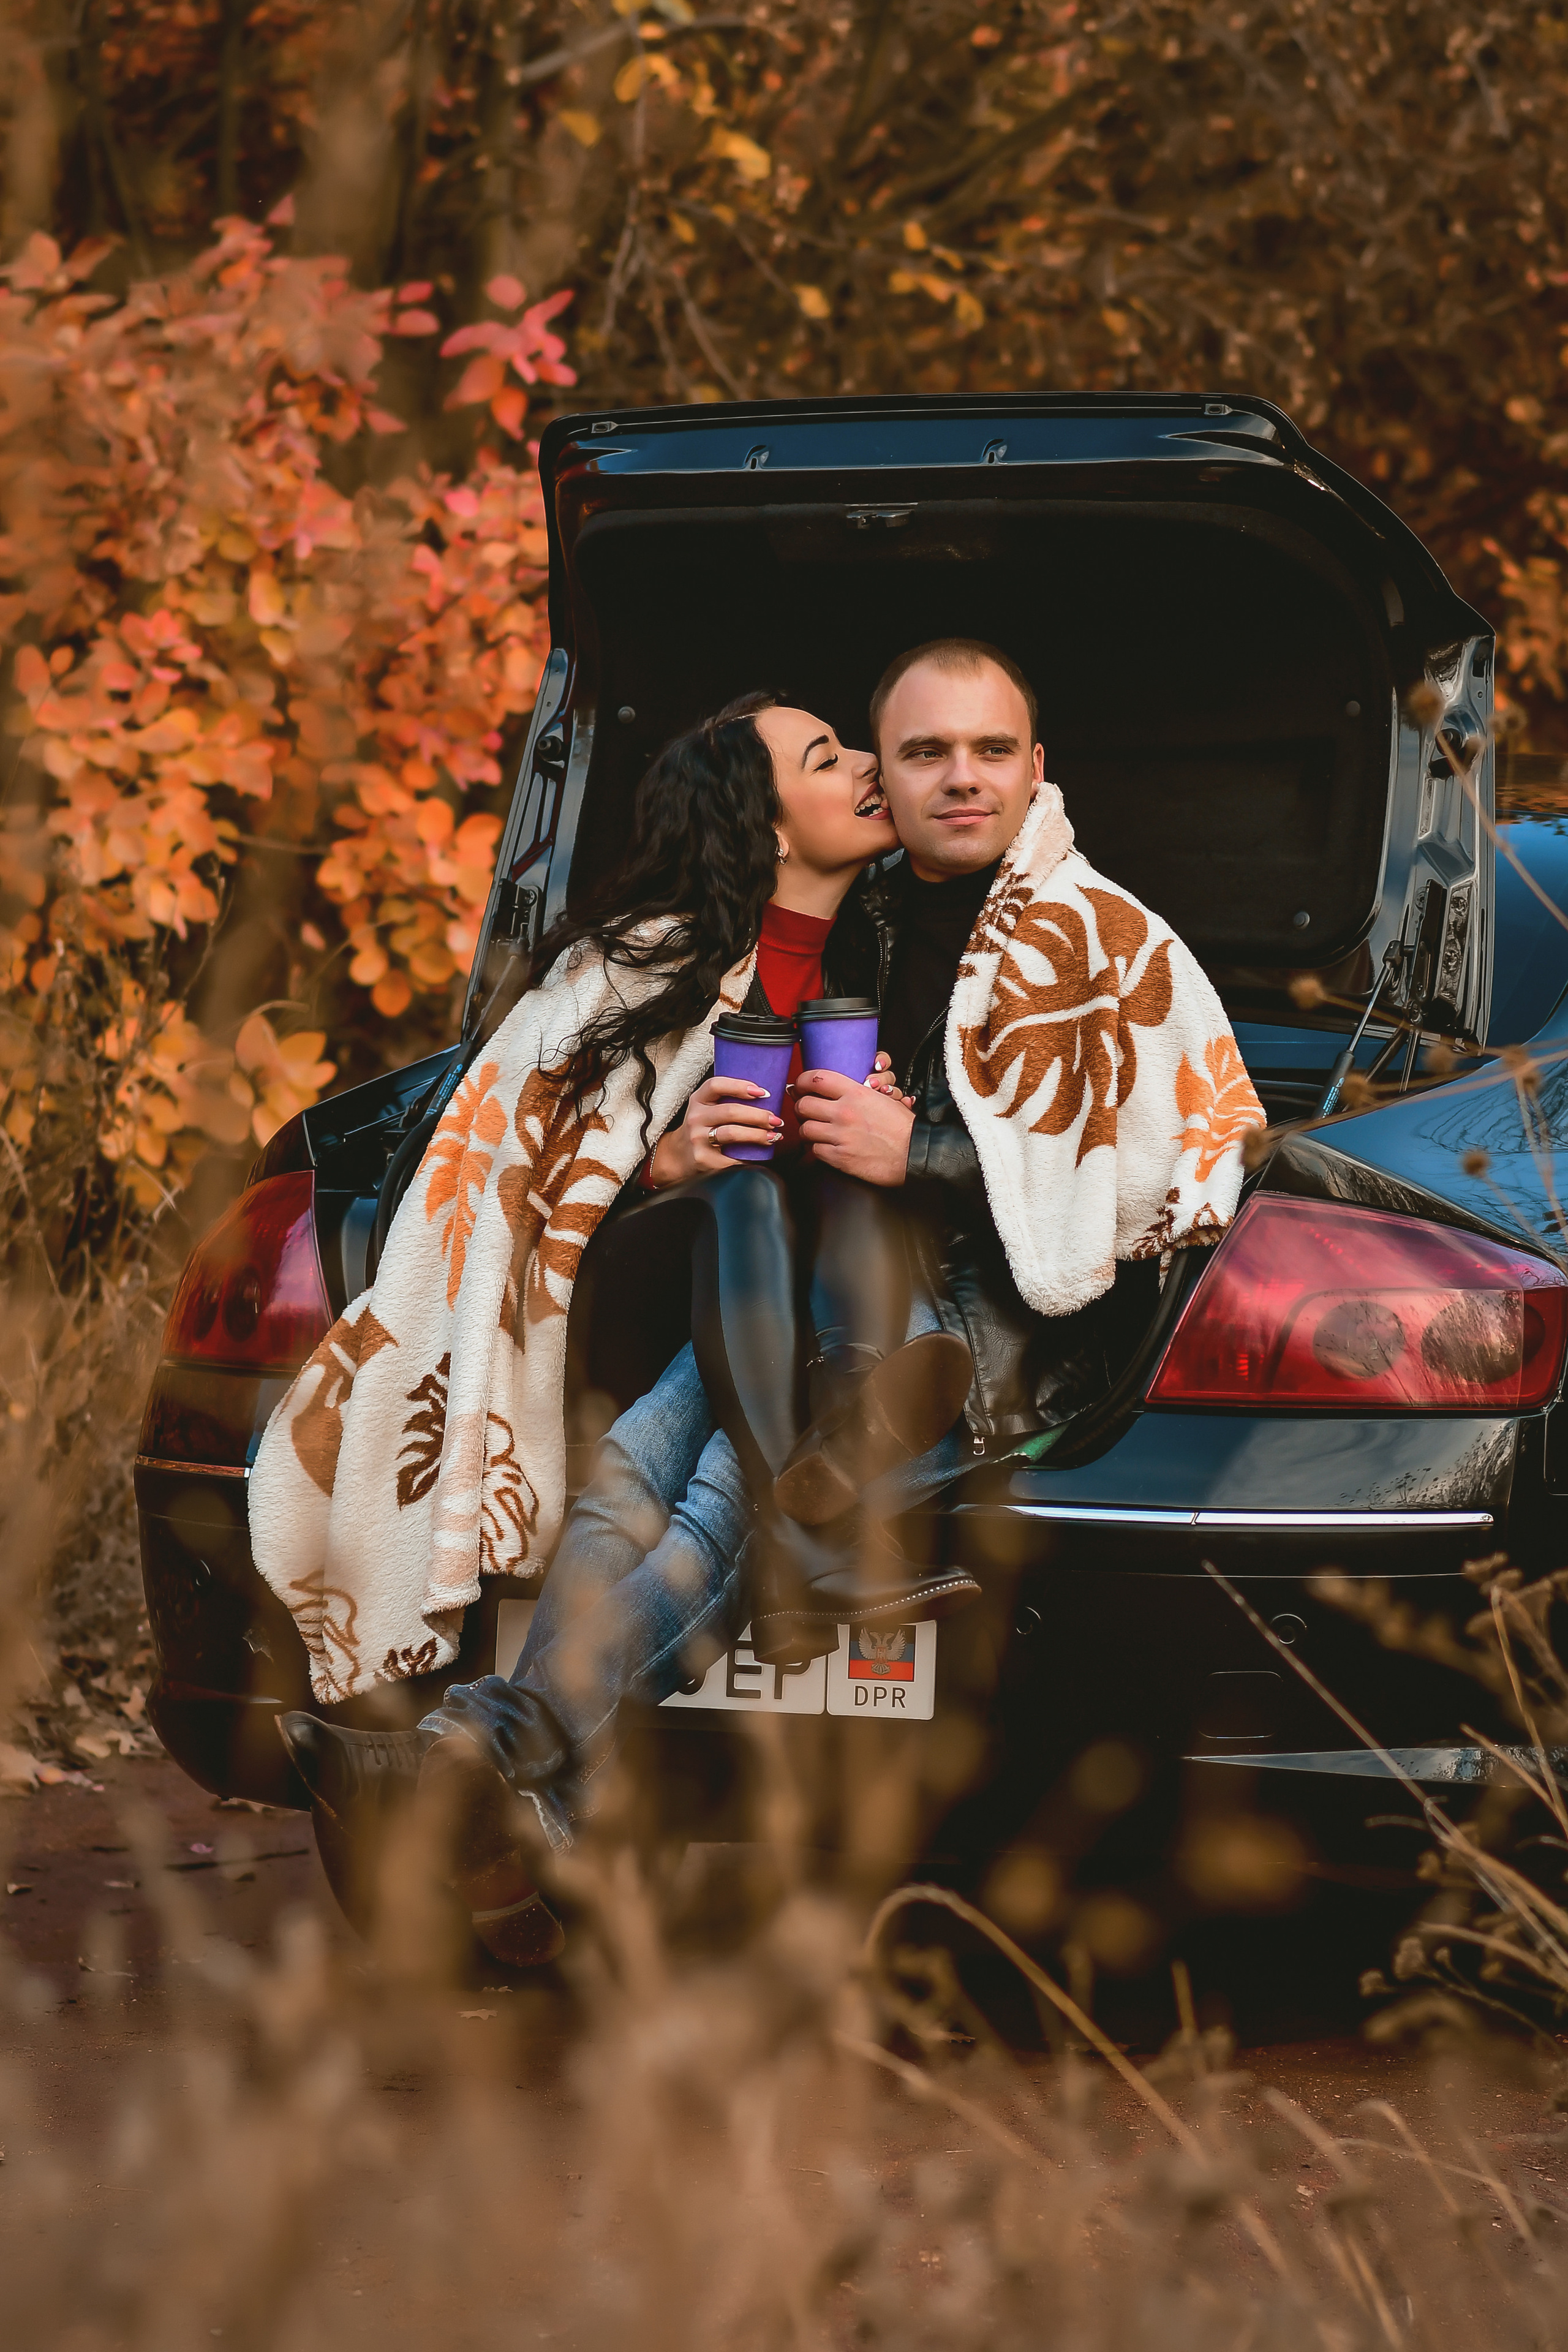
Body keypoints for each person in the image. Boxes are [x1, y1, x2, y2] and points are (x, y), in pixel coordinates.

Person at [265, 691, 975, 1966]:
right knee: (731, 1252)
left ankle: (496, 1747)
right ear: (760, 825)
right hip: (655, 1302)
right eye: (829, 757)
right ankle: (515, 1747)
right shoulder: (638, 961)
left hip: (790, 1335)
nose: (871, 766)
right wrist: (660, 1166)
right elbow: (512, 1165)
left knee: (669, 1479)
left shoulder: (893, 949)